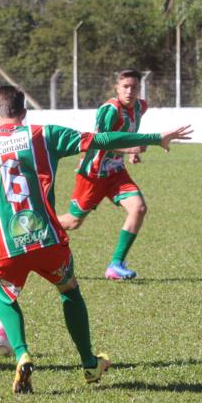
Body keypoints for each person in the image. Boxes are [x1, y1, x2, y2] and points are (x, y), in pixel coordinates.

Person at [0, 85, 192, 393]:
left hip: (4, 246)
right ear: (24, 114)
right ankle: (89, 364)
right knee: (69, 291)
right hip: (47, 240)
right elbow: (102, 140)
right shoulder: (43, 135)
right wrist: (154, 139)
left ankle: (22, 353)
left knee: (6, 296)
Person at [58, 68, 153, 280]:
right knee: (73, 222)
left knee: (138, 208)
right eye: (125, 87)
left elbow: (129, 132)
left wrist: (131, 153)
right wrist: (130, 149)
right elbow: (99, 143)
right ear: (117, 88)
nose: (129, 91)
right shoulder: (109, 111)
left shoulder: (140, 107)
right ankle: (35, 233)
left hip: (116, 173)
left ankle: (116, 265)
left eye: (134, 87)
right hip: (93, 174)